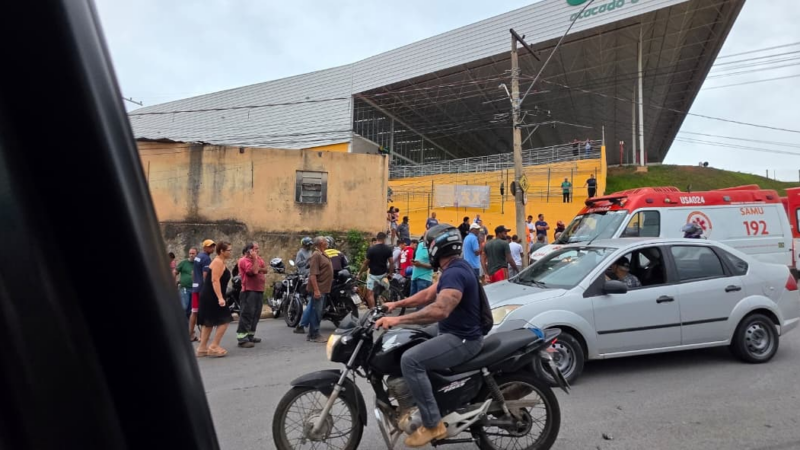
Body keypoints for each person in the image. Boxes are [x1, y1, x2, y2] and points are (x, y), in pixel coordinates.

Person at [375, 224, 484, 448]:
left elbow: (439, 310)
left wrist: (397, 319)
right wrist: (395, 304)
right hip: (451, 330)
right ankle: (430, 397)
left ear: (437, 247)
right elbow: (427, 294)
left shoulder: (456, 272)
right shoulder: (453, 268)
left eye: (428, 245)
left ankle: (433, 423)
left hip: (463, 338)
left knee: (411, 360)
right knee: (411, 337)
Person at [196, 241, 234, 358]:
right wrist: (220, 298)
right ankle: (214, 346)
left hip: (209, 295)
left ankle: (202, 348)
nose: (230, 252)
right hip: (212, 296)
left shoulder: (221, 261)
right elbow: (215, 280)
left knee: (209, 322)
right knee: (225, 319)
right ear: (221, 251)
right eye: (228, 250)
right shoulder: (217, 262)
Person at [237, 242, 268, 348]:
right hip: (248, 291)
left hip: (259, 290)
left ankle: (250, 335)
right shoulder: (243, 260)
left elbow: (265, 270)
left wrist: (258, 266)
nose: (257, 251)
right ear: (249, 251)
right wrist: (255, 261)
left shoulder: (259, 259)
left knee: (256, 314)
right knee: (247, 314)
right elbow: (254, 271)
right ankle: (242, 338)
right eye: (255, 249)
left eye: (258, 249)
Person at [307, 236, 334, 343]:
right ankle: (314, 335)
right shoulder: (316, 255)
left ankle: (312, 334)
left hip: (324, 288)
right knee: (316, 312)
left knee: (318, 311)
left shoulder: (324, 254)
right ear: (320, 243)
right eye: (324, 240)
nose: (327, 242)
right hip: (319, 288)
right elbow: (313, 274)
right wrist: (316, 290)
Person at [358, 232, 394, 309]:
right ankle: (385, 305)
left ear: (377, 238)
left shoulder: (372, 249)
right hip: (383, 274)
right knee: (382, 291)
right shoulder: (388, 249)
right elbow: (391, 263)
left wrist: (359, 273)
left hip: (373, 275)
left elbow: (365, 263)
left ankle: (373, 311)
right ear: (384, 239)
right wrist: (390, 274)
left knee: (369, 294)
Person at [190, 239, 215, 342]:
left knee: (194, 312)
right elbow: (206, 276)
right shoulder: (206, 259)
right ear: (204, 247)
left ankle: (190, 334)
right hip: (202, 289)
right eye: (210, 246)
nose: (212, 248)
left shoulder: (197, 257)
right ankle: (202, 336)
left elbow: (193, 273)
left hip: (195, 287)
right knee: (204, 312)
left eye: (213, 246)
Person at [175, 248, 197, 320]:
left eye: (193, 254)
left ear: (196, 254)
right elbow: (175, 271)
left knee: (191, 309)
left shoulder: (198, 264)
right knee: (184, 307)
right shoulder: (184, 263)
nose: (191, 255)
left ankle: (188, 327)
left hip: (194, 289)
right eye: (190, 253)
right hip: (184, 288)